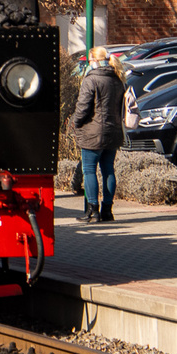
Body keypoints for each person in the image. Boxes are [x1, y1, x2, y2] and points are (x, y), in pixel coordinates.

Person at [71, 45, 126, 223]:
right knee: (108, 170)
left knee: (89, 171)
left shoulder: (91, 79)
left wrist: (75, 123)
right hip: (113, 132)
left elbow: (83, 107)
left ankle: (93, 211)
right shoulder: (117, 79)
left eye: (90, 60)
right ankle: (108, 211)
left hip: (93, 133)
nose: (89, 63)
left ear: (95, 60)